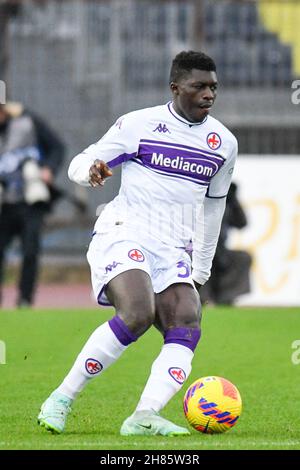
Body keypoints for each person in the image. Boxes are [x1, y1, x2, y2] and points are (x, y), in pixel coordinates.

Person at [38, 50, 238, 436]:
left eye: (213, 87)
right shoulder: (139, 124)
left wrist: (201, 268)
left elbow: (214, 209)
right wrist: (89, 172)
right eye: (199, 86)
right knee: (138, 312)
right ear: (175, 87)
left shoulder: (223, 144)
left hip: (174, 246)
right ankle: (61, 398)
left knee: (187, 322)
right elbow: (81, 161)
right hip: (125, 230)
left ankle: (144, 416)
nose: (208, 94)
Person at [0, 102, 65, 307]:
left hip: (31, 200)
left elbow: (57, 147)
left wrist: (49, 169)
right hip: (4, 204)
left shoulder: (28, 122)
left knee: (30, 251)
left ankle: (25, 300)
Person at [200, 182, 252, 305]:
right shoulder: (199, 198)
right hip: (198, 249)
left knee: (242, 258)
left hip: (221, 250)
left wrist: (233, 200)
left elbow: (241, 223)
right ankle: (204, 299)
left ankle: (226, 298)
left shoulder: (227, 203)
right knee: (195, 260)